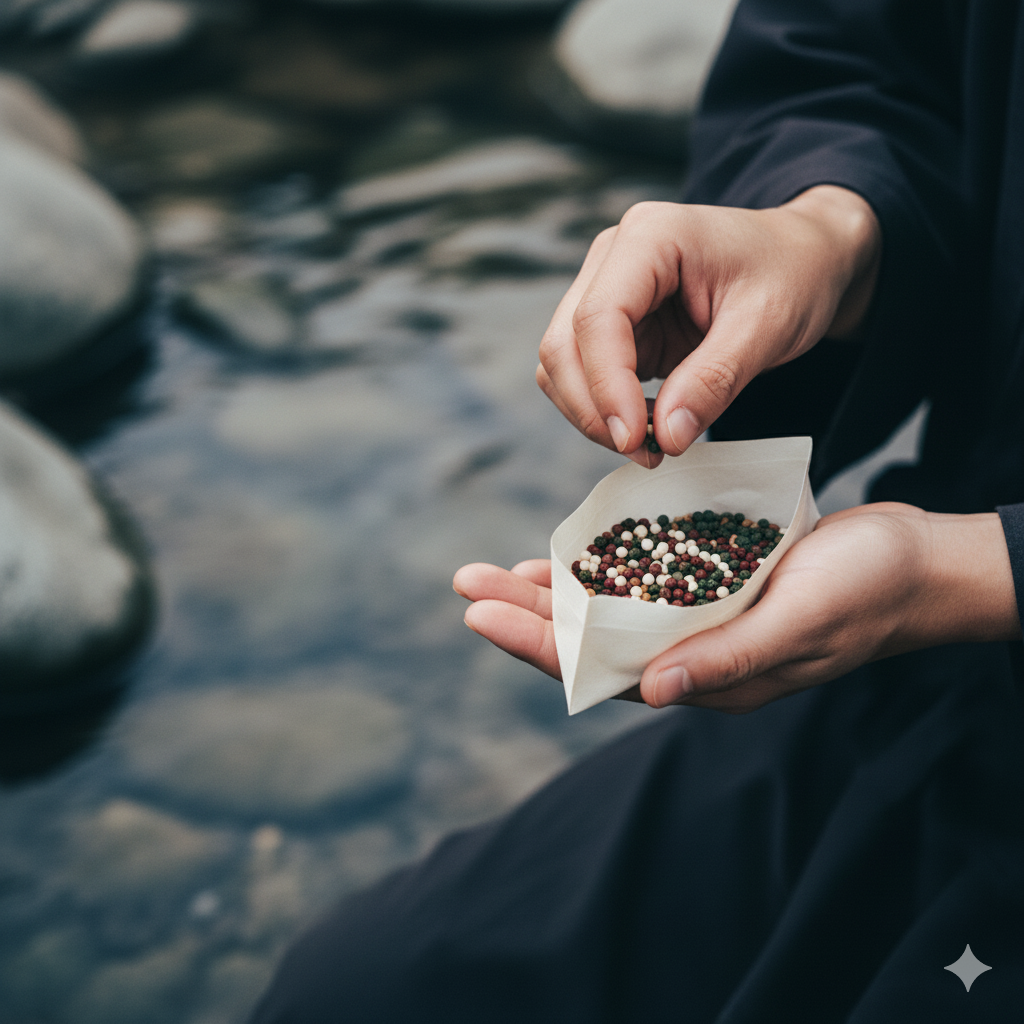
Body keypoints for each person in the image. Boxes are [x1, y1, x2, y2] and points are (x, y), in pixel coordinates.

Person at [251, 2, 1024, 1019]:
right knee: (360, 990)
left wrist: (972, 571)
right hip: (932, 678)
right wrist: (825, 227)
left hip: (955, 610)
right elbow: (854, 49)